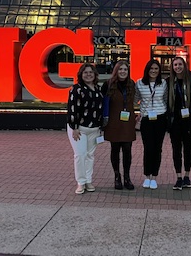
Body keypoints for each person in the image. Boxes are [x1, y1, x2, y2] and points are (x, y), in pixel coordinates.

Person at [66, 63, 104, 195]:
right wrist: (74, 127)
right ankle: (80, 182)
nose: (88, 75)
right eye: (85, 72)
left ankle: (88, 180)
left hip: (94, 129)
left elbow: (100, 109)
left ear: (95, 75)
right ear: (81, 75)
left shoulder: (98, 89)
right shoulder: (76, 89)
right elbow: (72, 109)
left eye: (91, 72)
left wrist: (101, 127)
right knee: (80, 155)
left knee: (90, 156)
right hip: (79, 129)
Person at [101, 60, 136, 190]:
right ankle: (117, 176)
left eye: (125, 69)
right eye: (120, 69)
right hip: (113, 123)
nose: (123, 72)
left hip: (127, 123)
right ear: (116, 71)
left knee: (127, 150)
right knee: (115, 150)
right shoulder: (107, 85)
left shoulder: (131, 84)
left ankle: (127, 177)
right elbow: (103, 105)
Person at [135, 59, 168, 189]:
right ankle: (147, 176)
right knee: (148, 148)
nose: (153, 71)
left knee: (157, 148)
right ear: (147, 70)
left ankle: (154, 176)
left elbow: (165, 100)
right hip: (147, 120)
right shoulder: (139, 83)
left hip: (160, 118)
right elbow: (136, 99)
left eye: (156, 69)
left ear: (159, 71)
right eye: (151, 69)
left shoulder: (163, 83)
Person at [166, 56, 191, 190]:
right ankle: (178, 177)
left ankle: (187, 176)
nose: (178, 67)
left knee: (188, 150)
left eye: (180, 64)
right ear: (172, 68)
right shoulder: (168, 82)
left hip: (189, 121)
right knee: (176, 150)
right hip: (175, 123)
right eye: (175, 65)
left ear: (184, 66)